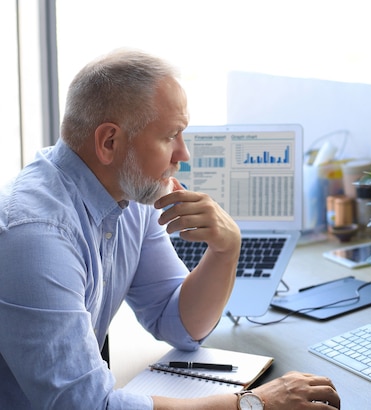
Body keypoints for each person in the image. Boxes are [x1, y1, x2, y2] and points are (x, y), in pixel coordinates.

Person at [0, 49, 340, 409]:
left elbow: (178, 324)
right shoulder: (35, 237)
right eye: (171, 136)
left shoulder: (128, 196)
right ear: (109, 142)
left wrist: (226, 250)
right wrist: (252, 404)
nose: (184, 154)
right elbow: (88, 406)